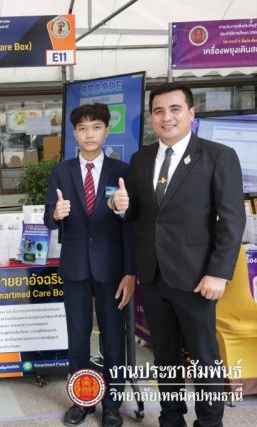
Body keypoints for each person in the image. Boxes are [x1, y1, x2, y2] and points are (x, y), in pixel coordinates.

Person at [113, 83, 246, 427]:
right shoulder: (141, 159)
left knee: (204, 357)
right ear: (151, 117)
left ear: (191, 113)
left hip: (197, 277)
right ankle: (171, 418)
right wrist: (121, 207)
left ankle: (209, 422)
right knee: (165, 356)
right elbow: (140, 214)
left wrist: (219, 273)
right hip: (153, 275)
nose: (166, 117)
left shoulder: (218, 156)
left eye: (175, 109)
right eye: (158, 111)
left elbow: (232, 219)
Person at [44, 103, 136, 427]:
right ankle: (82, 401)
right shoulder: (61, 171)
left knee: (113, 339)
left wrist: (130, 271)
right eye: (82, 128)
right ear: (74, 133)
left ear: (106, 131)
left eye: (96, 127)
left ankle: (112, 404)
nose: (89, 134)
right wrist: (56, 214)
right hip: (75, 268)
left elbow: (132, 224)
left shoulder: (122, 171)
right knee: (78, 337)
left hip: (112, 269)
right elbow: (48, 217)